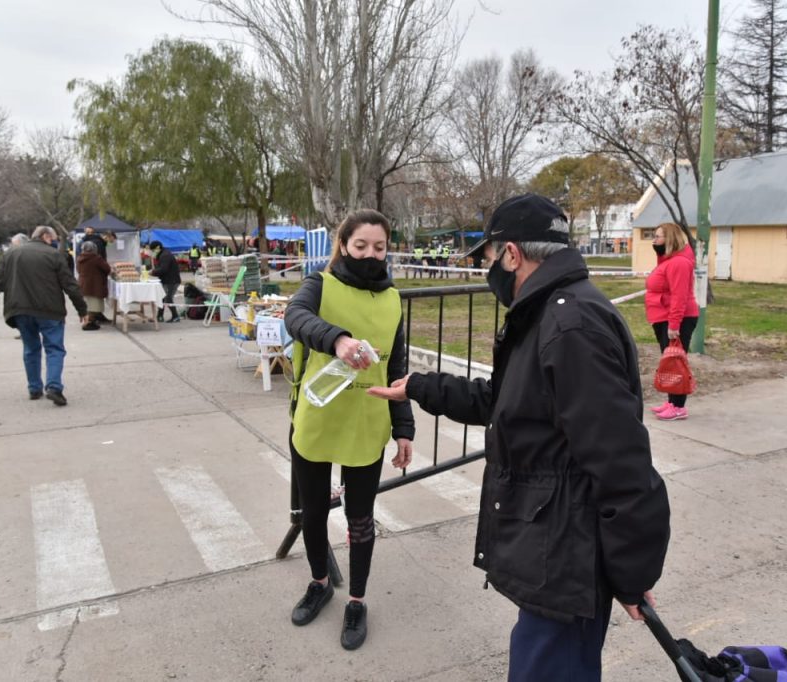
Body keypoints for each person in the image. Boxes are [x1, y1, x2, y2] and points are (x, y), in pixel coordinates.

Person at [368, 194, 671, 681]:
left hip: (566, 560)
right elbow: (504, 400)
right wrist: (420, 386)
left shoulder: (569, 325)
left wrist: (632, 575)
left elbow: (622, 464)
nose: (488, 270)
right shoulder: (548, 312)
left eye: (488, 257)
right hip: (554, 552)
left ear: (511, 254)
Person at [283, 208, 415, 651]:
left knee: (361, 518)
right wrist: (338, 339)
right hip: (318, 417)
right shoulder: (320, 285)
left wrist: (404, 428)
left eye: (379, 247)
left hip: (367, 421)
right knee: (314, 510)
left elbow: (397, 367)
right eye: (361, 246)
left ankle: (356, 600)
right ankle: (320, 581)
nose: (371, 255)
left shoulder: (394, 298)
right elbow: (295, 317)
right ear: (344, 245)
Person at [0, 226, 90, 406]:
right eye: (53, 238)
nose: (54, 241)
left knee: (30, 348)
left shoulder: (10, 255)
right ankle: (54, 387)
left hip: (20, 310)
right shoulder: (55, 255)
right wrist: (82, 310)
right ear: (46, 236)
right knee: (54, 349)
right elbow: (70, 285)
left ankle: (34, 388)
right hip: (50, 310)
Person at [645, 222, 700, 421]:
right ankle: (671, 401)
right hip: (664, 317)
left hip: (677, 319)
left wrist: (674, 325)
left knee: (676, 362)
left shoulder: (679, 263)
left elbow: (679, 296)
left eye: (658, 237)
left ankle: (678, 407)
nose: (654, 240)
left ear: (669, 239)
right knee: (669, 361)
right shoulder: (670, 260)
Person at [76, 241, 111, 330]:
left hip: (83, 283)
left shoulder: (79, 258)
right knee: (94, 304)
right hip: (95, 284)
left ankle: (92, 319)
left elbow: (78, 270)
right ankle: (89, 323)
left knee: (88, 304)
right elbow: (107, 268)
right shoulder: (96, 258)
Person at [149, 240, 182, 323]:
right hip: (166, 280)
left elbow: (164, 269)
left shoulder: (165, 255)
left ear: (157, 248)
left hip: (172, 281)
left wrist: (153, 272)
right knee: (162, 298)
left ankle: (176, 316)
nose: (152, 252)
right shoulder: (162, 254)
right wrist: (155, 272)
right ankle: (159, 316)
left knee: (168, 299)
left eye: (153, 250)